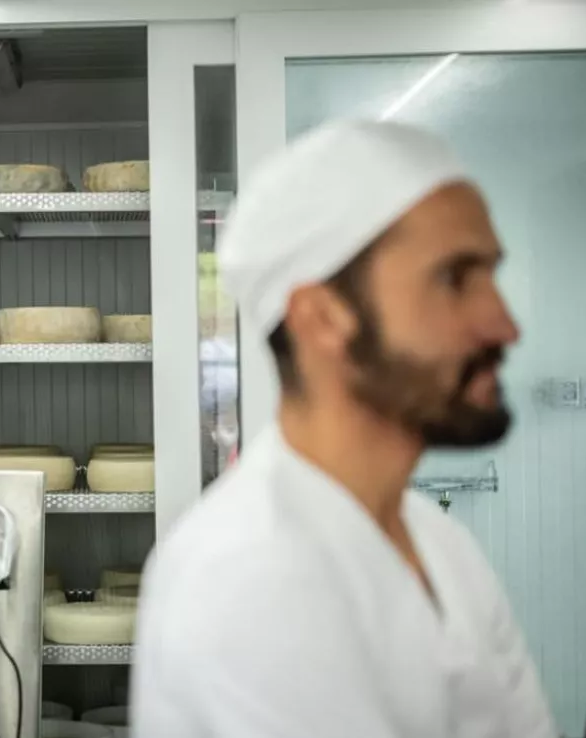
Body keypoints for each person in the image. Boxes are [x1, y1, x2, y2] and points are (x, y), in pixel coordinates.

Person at [130, 120, 556, 738]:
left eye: (492, 277)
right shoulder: (246, 575)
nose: (504, 325)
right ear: (323, 318)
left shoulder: (443, 547)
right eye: (455, 279)